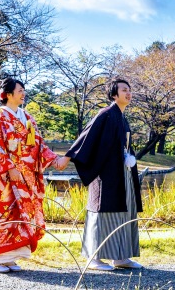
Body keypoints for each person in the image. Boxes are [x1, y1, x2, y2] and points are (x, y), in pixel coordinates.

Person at [0, 77, 67, 273]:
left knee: (21, 215)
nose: (23, 93)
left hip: (26, 174)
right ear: (8, 94)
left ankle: (9, 257)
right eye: (19, 90)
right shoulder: (0, 116)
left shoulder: (27, 117)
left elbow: (38, 144)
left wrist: (54, 159)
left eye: (23, 90)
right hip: (7, 175)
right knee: (3, 212)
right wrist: (9, 167)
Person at [59, 77, 143, 271]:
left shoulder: (121, 116)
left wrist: (128, 156)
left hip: (123, 173)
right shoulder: (105, 114)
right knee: (103, 213)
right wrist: (69, 156)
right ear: (114, 94)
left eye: (129, 89)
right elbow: (87, 136)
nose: (128, 93)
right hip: (106, 175)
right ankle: (94, 257)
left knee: (125, 212)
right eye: (123, 90)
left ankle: (121, 257)